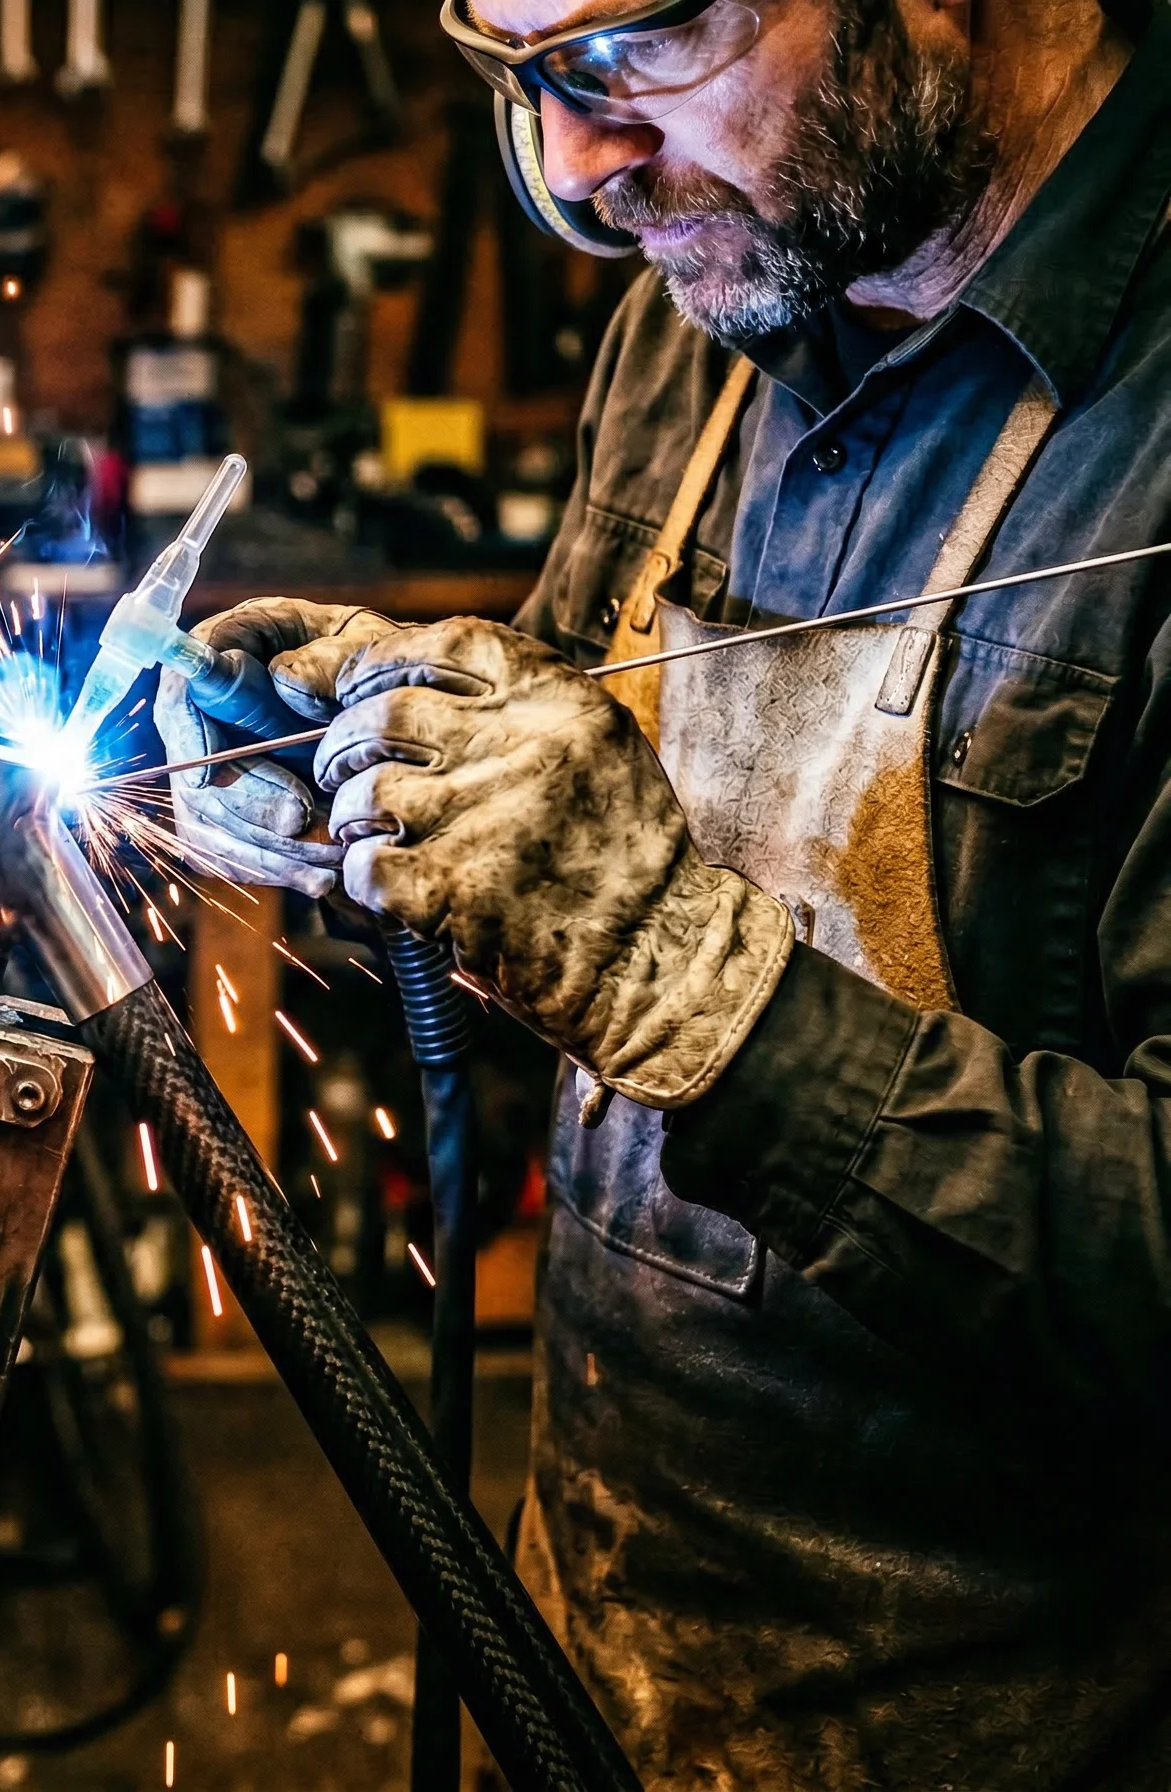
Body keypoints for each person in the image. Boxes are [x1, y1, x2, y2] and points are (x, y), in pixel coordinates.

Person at [158, 0, 1171, 1782]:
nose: (572, 170)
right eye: (519, 71)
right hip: (593, 1654)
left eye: (630, 45)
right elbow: (579, 809)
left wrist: (700, 997)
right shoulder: (701, 307)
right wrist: (393, 785)